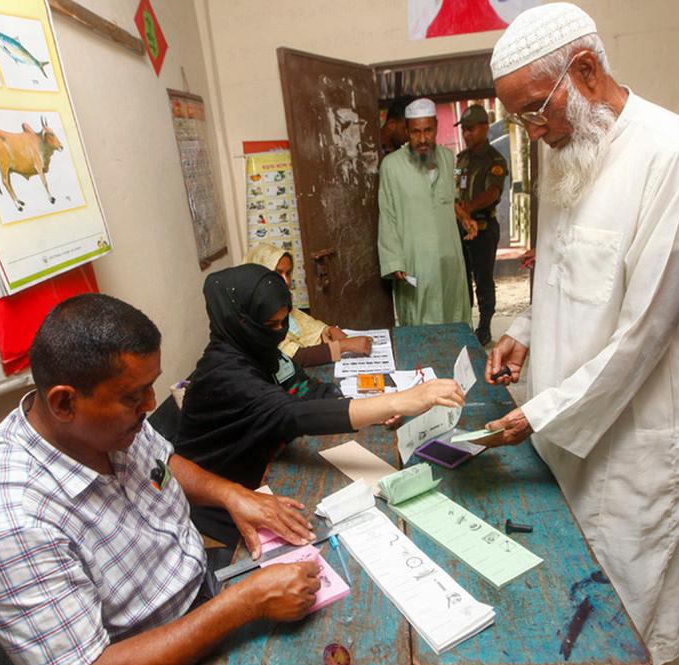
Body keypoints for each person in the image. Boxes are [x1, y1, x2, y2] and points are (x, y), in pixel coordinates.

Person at [478, 4, 679, 665]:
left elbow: (644, 332)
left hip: (632, 434)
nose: (530, 131)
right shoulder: (566, 146)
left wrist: (537, 412)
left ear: (582, 71)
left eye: (533, 111)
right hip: (563, 413)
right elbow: (561, 273)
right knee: (566, 584)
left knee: (624, 601)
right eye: (518, 119)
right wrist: (523, 330)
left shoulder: (672, 154)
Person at [0, 294, 323, 665]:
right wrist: (246, 603)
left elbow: (163, 463)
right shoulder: (6, 520)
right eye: (134, 396)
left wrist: (231, 494)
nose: (149, 405)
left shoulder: (110, 424)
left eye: (151, 387)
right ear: (64, 404)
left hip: (206, 594)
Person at [174, 263, 464, 543]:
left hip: (269, 465)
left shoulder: (260, 351)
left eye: (282, 323)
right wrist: (398, 401)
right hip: (221, 501)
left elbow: (306, 390)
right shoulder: (225, 374)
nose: (278, 333)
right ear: (241, 321)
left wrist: (368, 408)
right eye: (270, 324)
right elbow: (292, 413)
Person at [377, 97, 472, 326]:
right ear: (407, 132)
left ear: (437, 127)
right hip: (415, 261)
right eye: (415, 132)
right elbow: (387, 214)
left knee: (453, 316)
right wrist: (394, 261)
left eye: (428, 130)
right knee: (419, 322)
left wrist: (465, 217)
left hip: (449, 259)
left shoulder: (449, 159)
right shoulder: (391, 165)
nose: (422, 139)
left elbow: (450, 199)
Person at [243, 243, 372, 367]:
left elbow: (305, 326)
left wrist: (328, 330)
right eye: (278, 273)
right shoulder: (254, 311)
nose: (286, 281)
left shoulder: (280, 302)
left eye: (288, 273)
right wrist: (344, 346)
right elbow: (289, 356)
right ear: (260, 274)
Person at [454, 103, 509, 345]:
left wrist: (469, 208)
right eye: (464, 129)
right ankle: (464, 324)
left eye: (471, 129)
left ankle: (485, 326)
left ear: (485, 127)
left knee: (483, 280)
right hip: (459, 229)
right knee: (461, 279)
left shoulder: (494, 159)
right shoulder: (461, 159)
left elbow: (493, 193)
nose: (466, 134)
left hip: (484, 230)